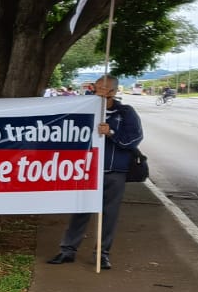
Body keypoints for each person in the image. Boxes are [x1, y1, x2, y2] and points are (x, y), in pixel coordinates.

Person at [47, 75, 144, 271]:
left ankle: (102, 254)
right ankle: (67, 250)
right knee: (80, 210)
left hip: (114, 171)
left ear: (113, 92)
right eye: (97, 87)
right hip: (87, 170)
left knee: (109, 214)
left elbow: (134, 138)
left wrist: (112, 133)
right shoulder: (83, 107)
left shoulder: (125, 112)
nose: (99, 91)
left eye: (104, 88)